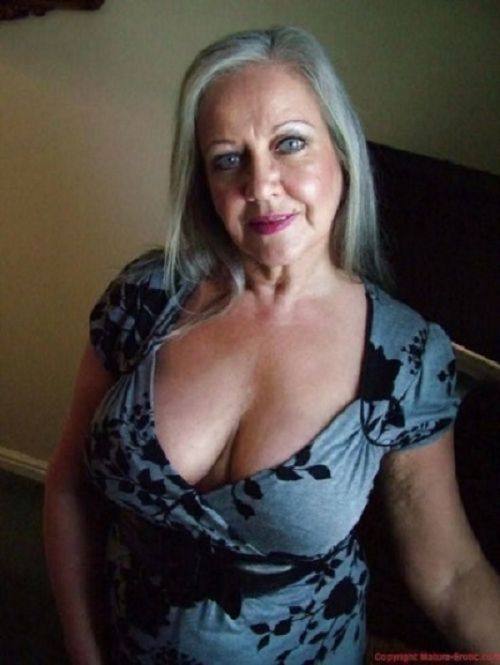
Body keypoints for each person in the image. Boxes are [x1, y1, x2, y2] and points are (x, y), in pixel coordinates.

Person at [43, 26, 500, 665]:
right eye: (227, 159)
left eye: (290, 143)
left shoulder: (407, 358)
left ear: (341, 150)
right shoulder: (146, 297)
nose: (261, 186)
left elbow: (451, 576)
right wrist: (83, 651)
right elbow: (69, 487)